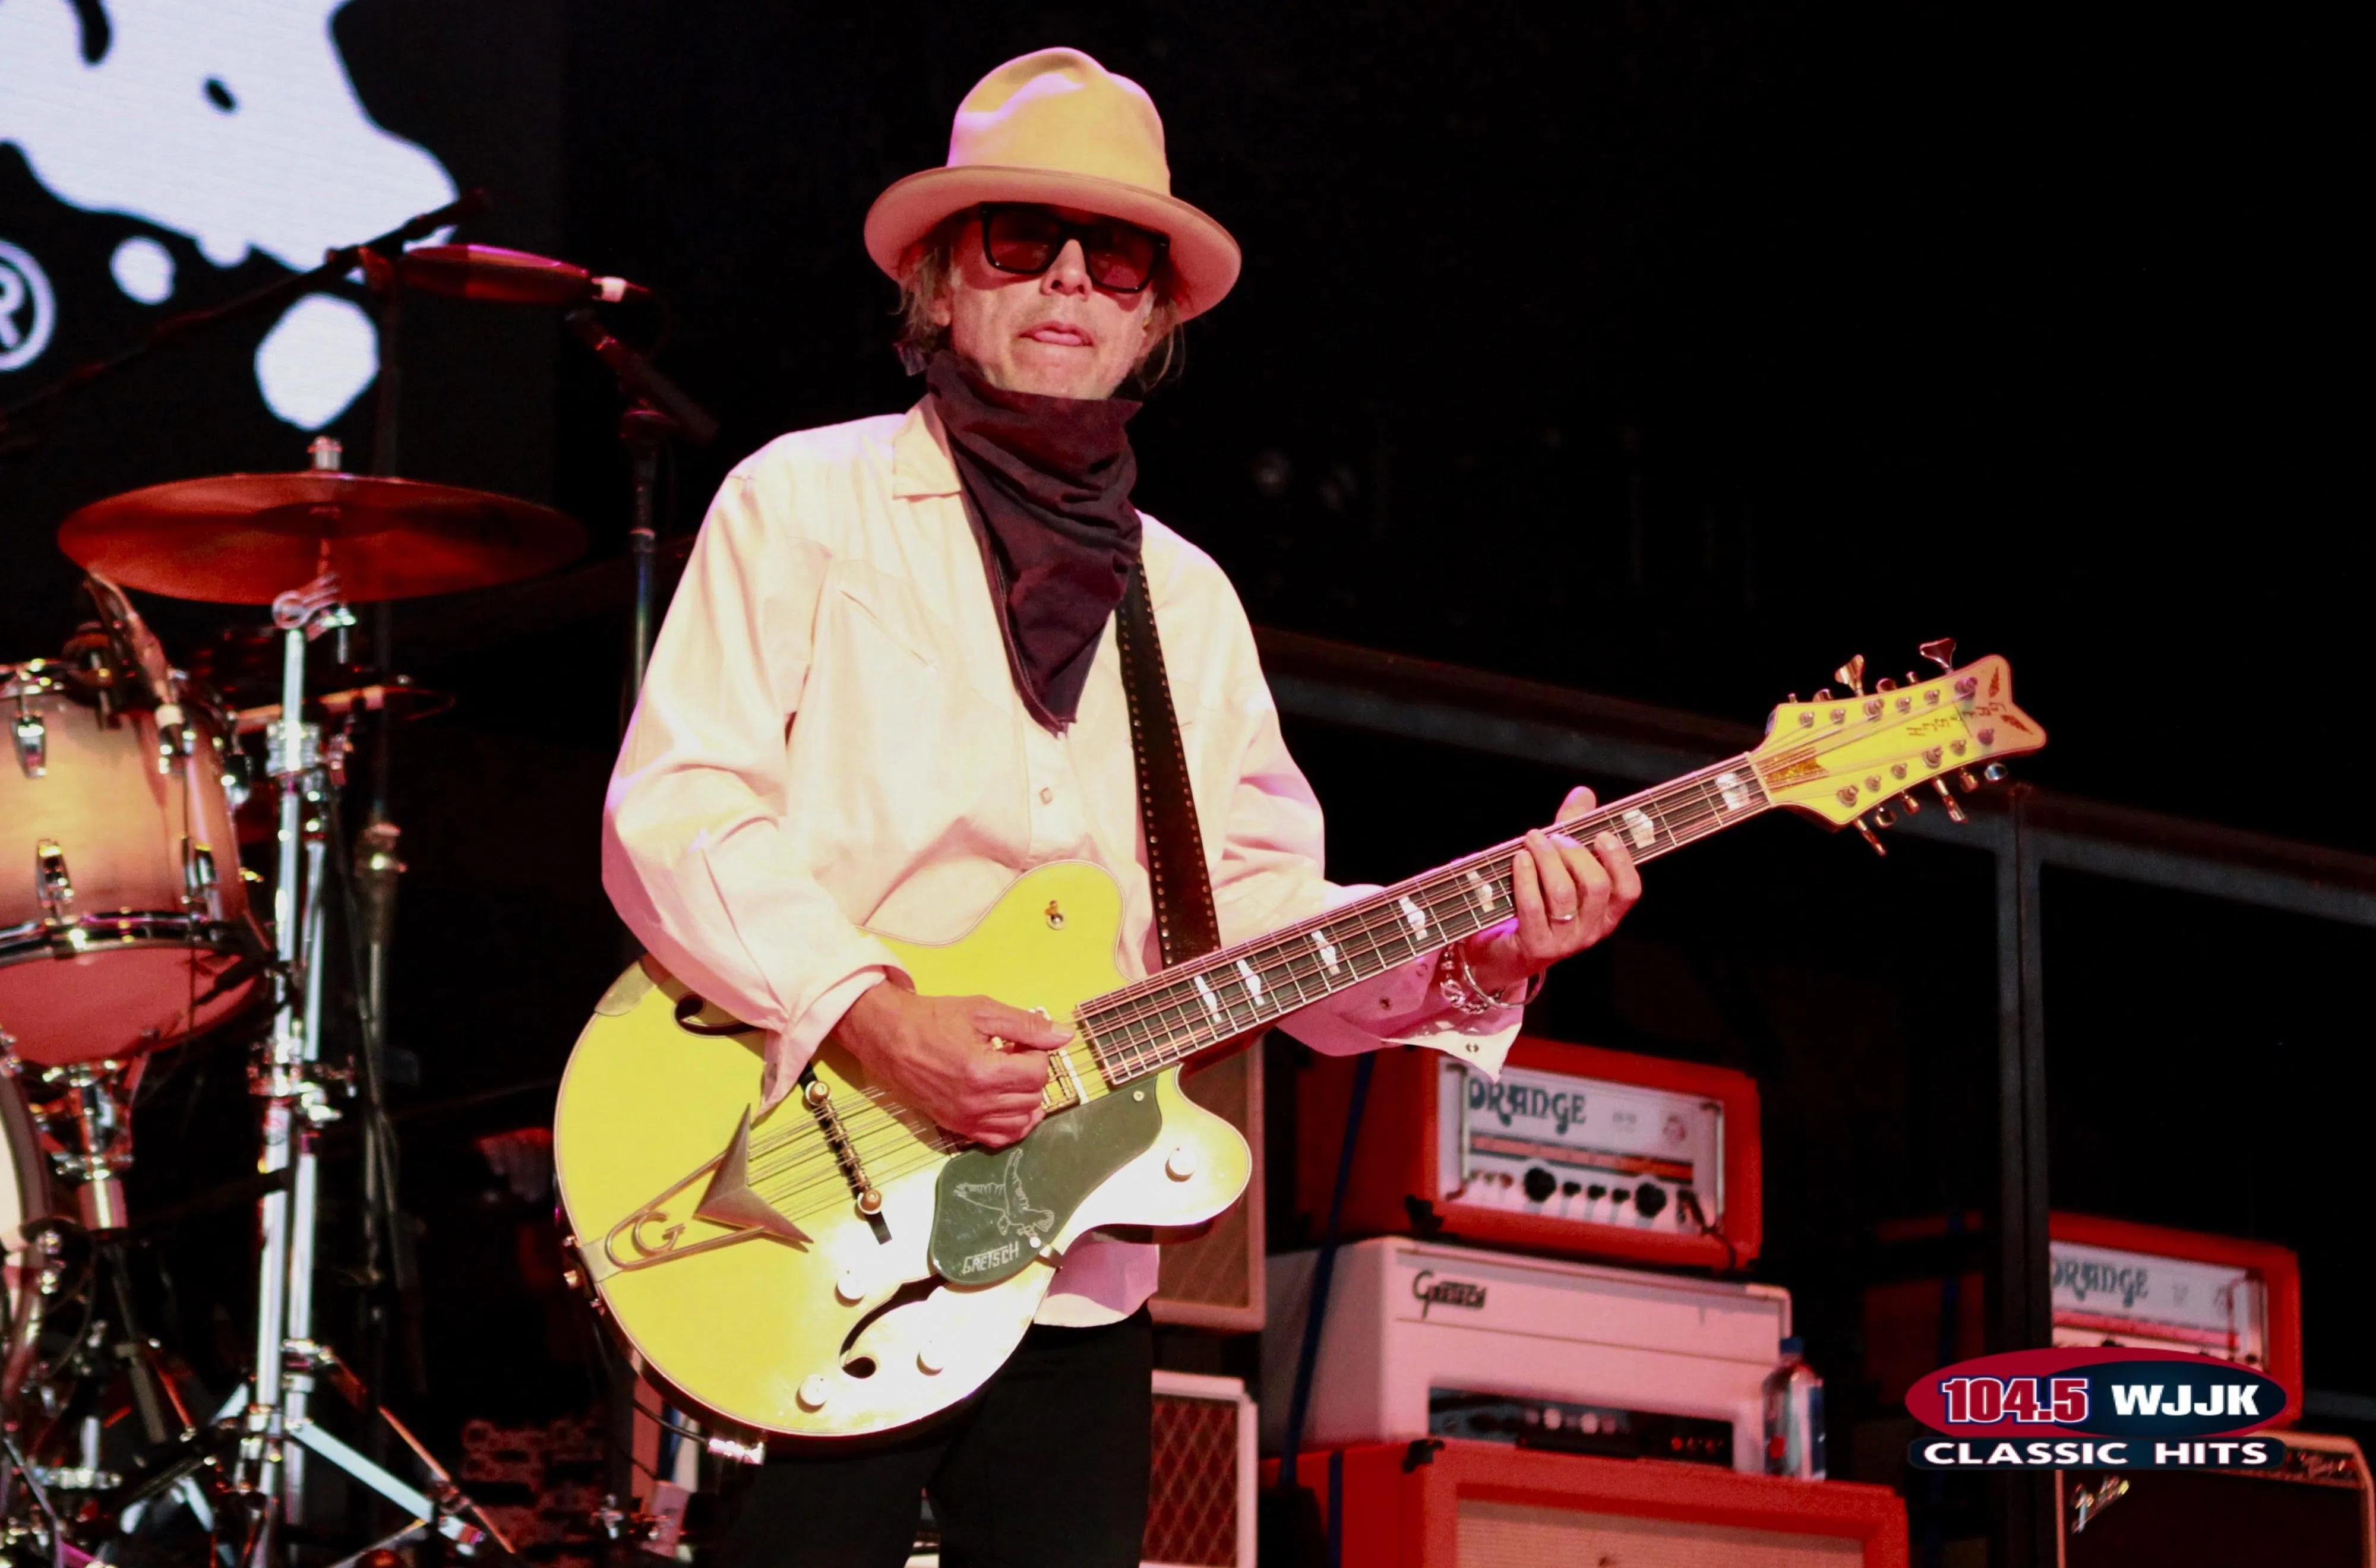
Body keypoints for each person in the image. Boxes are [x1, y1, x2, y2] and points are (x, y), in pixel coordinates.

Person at [601, 47, 1641, 1568]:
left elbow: (1258, 918)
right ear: (937, 285)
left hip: (1074, 1258)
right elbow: (679, 805)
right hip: (808, 1204)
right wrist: (875, 1015)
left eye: (1117, 257)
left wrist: (1484, 943)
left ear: (1154, 318)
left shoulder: (1186, 600)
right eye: (1021, 239)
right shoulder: (801, 504)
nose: (1069, 279)